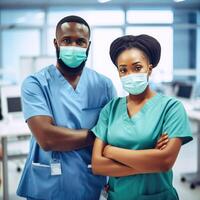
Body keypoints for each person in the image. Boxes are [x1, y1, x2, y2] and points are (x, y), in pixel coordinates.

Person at [17, 15, 117, 200]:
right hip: (47, 186)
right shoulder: (35, 83)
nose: (73, 46)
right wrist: (99, 135)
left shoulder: (104, 85)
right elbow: (47, 138)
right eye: (67, 40)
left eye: (80, 42)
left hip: (88, 181)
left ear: (88, 45)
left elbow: (117, 133)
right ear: (56, 43)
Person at [91, 34, 193, 200]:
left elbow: (165, 162)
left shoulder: (171, 108)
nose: (130, 74)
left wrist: (110, 150)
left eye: (137, 68)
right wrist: (151, 160)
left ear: (149, 69)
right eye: (123, 69)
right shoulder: (110, 109)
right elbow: (97, 165)